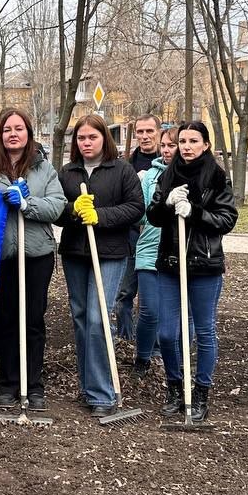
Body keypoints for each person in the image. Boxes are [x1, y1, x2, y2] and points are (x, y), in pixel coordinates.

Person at [0, 108, 66, 410]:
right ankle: (7, 383)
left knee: (32, 321)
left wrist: (27, 203)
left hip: (36, 255)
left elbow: (57, 206)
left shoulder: (43, 168)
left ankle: (32, 384)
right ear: (0, 133)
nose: (12, 134)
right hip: (1, 256)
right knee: (5, 320)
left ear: (28, 133)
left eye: (18, 128)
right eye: (7, 129)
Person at [145, 121, 238, 422]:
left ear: (206, 145)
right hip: (171, 264)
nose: (186, 146)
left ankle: (200, 392)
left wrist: (195, 212)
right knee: (168, 334)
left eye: (193, 141)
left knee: (205, 330)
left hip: (204, 265)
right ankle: (175, 386)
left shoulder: (217, 177)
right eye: (181, 141)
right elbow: (154, 216)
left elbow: (227, 219)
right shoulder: (169, 175)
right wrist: (167, 203)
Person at [55, 114, 145, 416]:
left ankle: (103, 393)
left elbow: (135, 208)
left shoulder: (121, 170)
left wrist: (100, 216)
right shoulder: (68, 173)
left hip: (110, 253)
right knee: (81, 317)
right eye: (81, 138)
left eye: (92, 137)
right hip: (75, 254)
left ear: (104, 138)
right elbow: (56, 212)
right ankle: (88, 386)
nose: (86, 143)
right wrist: (73, 210)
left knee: (98, 318)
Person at [133, 126, 177, 379]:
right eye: (164, 145)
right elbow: (139, 215)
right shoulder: (150, 176)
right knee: (149, 310)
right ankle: (143, 358)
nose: (167, 150)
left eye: (172, 145)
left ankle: (173, 359)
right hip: (150, 250)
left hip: (181, 252)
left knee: (177, 312)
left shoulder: (193, 175)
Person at [114, 114, 161, 341]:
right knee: (123, 294)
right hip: (131, 239)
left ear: (159, 133)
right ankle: (125, 340)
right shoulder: (125, 167)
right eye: (140, 132)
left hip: (158, 240)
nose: (144, 136)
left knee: (154, 298)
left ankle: (152, 344)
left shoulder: (169, 165)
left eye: (149, 131)